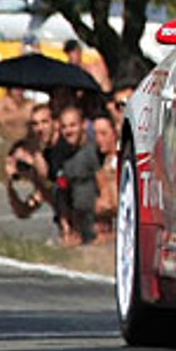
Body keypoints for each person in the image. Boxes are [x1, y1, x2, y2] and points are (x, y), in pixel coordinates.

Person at [47, 102, 101, 246]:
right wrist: (67, 229)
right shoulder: (61, 155)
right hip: (79, 221)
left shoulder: (94, 150)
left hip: (99, 218)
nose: (69, 131)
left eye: (73, 125)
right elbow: (62, 192)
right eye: (64, 127)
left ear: (83, 125)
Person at [4, 102, 54, 220]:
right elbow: (23, 212)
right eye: (35, 124)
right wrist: (10, 186)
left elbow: (52, 181)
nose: (40, 128)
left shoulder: (62, 150)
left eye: (44, 122)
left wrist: (33, 160)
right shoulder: (36, 155)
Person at [92, 112, 121, 242]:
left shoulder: (118, 162)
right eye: (96, 134)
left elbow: (114, 203)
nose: (98, 139)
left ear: (115, 134)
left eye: (103, 134)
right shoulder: (102, 161)